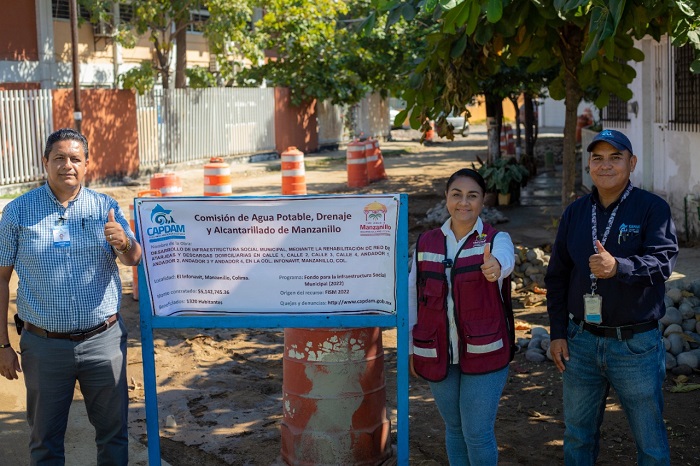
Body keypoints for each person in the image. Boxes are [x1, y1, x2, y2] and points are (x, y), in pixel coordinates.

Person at [0, 128, 142, 465]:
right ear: (45, 162)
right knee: (45, 441)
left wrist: (123, 241)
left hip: (104, 342)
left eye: (75, 158)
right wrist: (3, 345)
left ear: (87, 164)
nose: (68, 165)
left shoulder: (105, 207)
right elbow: (1, 280)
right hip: (44, 347)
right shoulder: (17, 212)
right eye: (59, 158)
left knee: (114, 435)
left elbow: (134, 257)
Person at [545, 129, 678, 465]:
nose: (605, 166)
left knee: (650, 442)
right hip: (580, 344)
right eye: (597, 158)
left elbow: (663, 262)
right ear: (588, 164)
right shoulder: (575, 212)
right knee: (577, 436)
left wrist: (618, 266)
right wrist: (559, 333)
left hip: (634, 346)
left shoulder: (652, 208)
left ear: (631, 163)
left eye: (615, 157)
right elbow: (557, 276)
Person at [408, 168, 516, 465]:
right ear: (446, 198)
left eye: (472, 196)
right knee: (454, 428)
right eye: (457, 195)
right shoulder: (426, 243)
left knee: (477, 432)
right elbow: (412, 298)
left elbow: (505, 260)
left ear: (483, 201)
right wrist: (410, 349)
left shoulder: (497, 239)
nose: (463, 203)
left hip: (486, 352)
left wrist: (496, 266)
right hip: (436, 349)